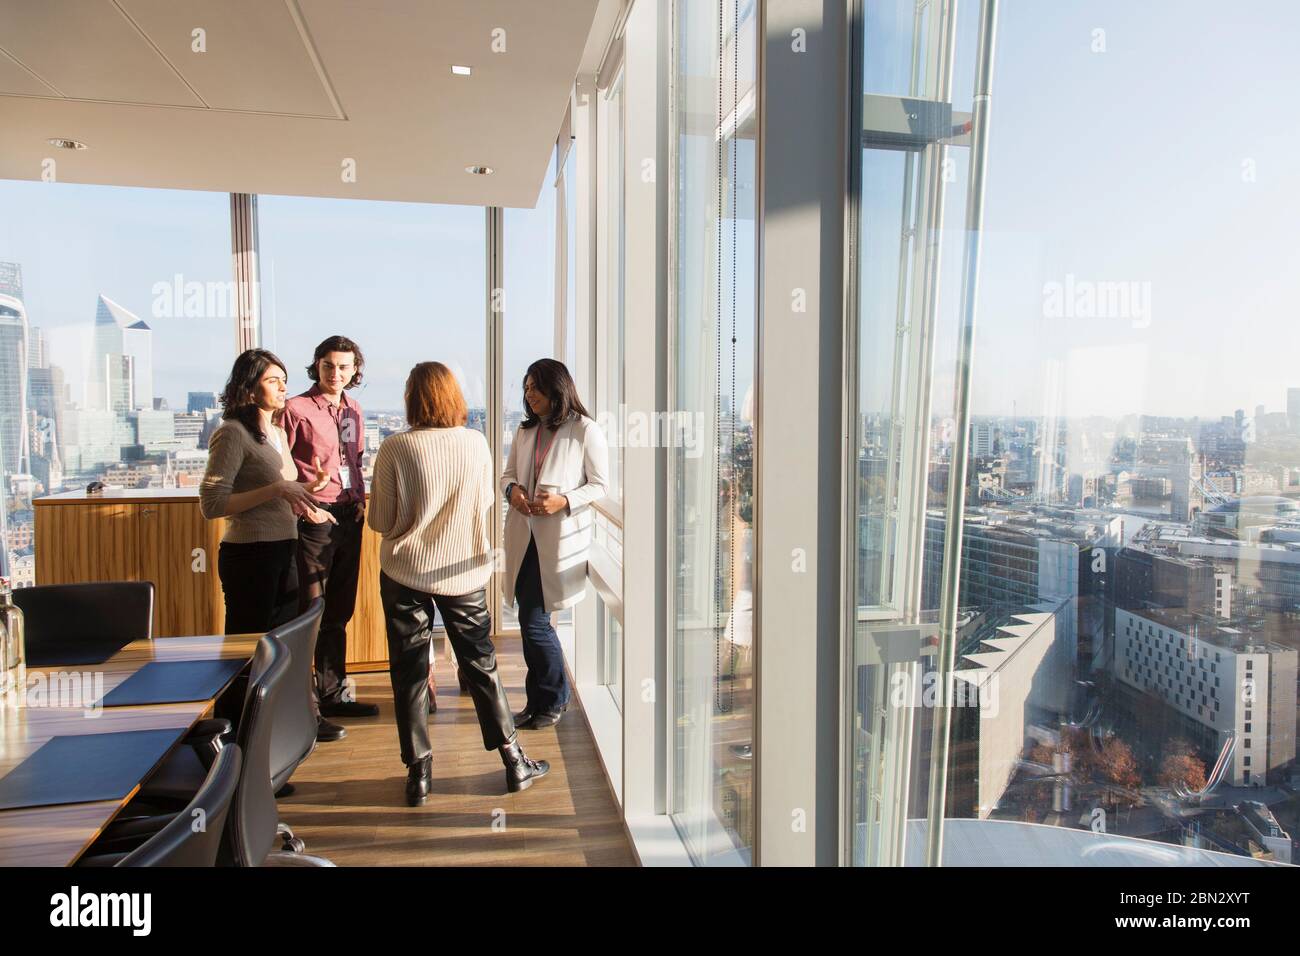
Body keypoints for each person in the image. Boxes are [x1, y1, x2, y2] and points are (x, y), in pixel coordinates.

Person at [368, 362, 550, 805]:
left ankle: (419, 773)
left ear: (412, 399)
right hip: (463, 573)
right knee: (481, 666)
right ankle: (513, 761)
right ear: (453, 398)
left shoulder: (395, 447)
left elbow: (379, 521)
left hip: (404, 573)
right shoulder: (476, 443)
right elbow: (485, 502)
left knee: (409, 672)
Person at [501, 358, 609, 730]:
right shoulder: (525, 430)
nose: (529, 395)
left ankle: (553, 698)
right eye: (527, 387)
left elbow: (600, 485)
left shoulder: (585, 430)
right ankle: (540, 700)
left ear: (556, 388)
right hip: (523, 536)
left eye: (536, 387)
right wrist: (512, 492)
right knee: (533, 620)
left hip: (558, 540)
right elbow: (507, 475)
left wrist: (563, 501)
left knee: (534, 624)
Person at [282, 335, 379, 744]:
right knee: (312, 611)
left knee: (339, 610)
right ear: (317, 366)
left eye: (344, 367)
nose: (336, 374)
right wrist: (303, 507)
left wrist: (359, 500)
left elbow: (352, 461)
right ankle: (305, 709)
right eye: (328, 366)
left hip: (349, 515)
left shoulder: (354, 409)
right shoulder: (296, 409)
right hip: (315, 517)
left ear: (355, 370)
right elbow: (279, 466)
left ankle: (334, 694)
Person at [200, 349, 330, 636]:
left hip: (284, 547)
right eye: (273, 381)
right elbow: (212, 505)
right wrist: (276, 489)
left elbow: (277, 490)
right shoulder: (232, 433)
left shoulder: (277, 433)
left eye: (284, 380)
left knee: (281, 642)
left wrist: (309, 488)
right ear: (249, 388)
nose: (283, 387)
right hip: (250, 554)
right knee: (250, 645)